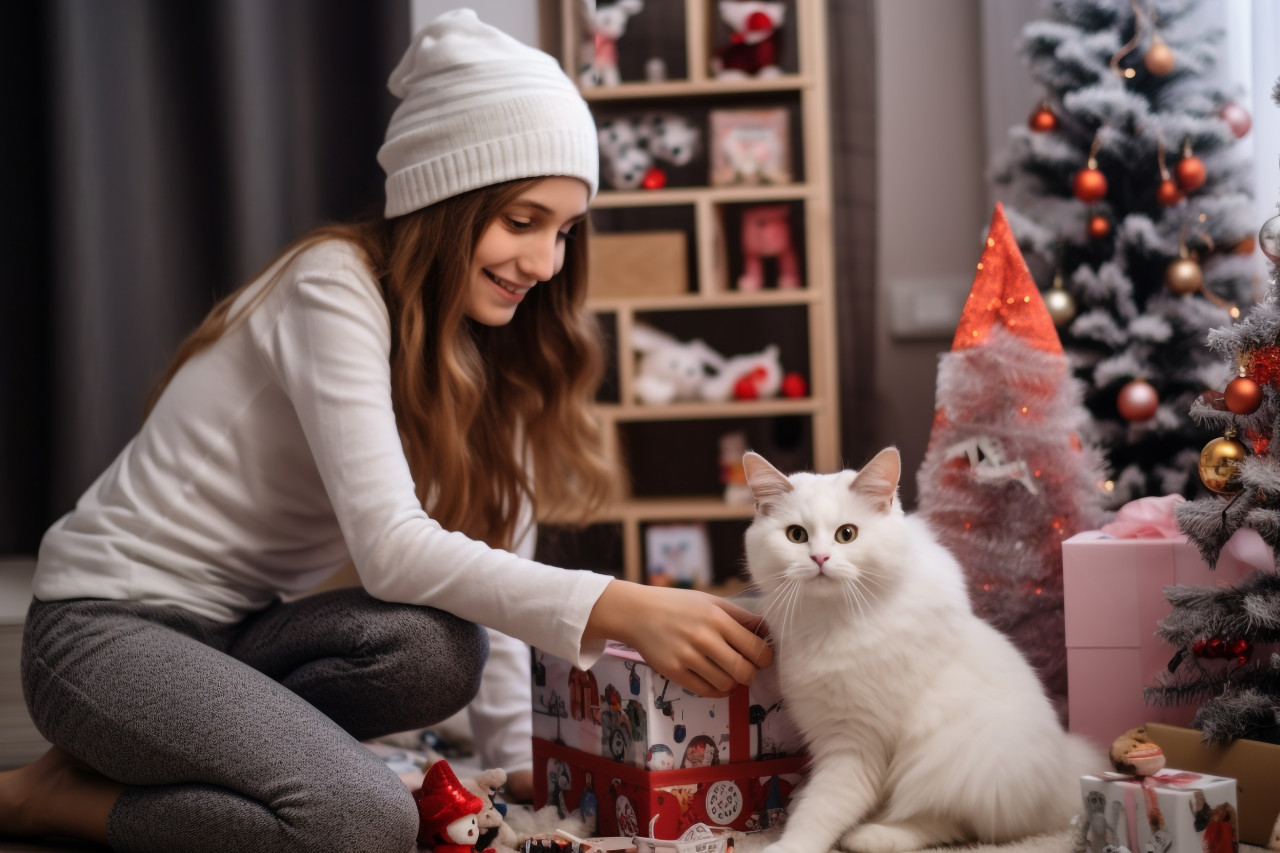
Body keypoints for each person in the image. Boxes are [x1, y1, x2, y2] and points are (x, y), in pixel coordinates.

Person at [0, 9, 771, 853]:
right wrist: (616, 603)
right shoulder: (329, 285)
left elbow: (500, 563)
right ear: (444, 200)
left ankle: (183, 756)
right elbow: (392, 550)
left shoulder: (487, 347)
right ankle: (45, 800)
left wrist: (521, 764)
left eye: (563, 231)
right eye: (521, 221)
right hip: (104, 629)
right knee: (364, 819)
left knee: (439, 647)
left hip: (236, 638)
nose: (547, 263)